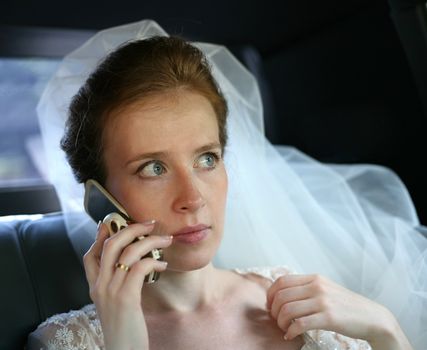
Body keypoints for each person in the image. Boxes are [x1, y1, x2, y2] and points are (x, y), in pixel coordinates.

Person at [28, 20, 427, 349]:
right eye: (153, 168)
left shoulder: (299, 299)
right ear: (100, 198)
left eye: (206, 159)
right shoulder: (65, 342)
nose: (193, 198)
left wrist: (387, 332)